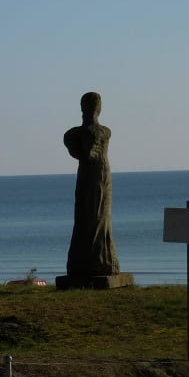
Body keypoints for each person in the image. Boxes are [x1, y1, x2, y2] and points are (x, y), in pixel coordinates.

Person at [63, 91, 121, 277]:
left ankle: (92, 261)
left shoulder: (74, 134)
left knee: (96, 217)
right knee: (92, 217)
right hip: (97, 175)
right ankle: (100, 263)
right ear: (99, 108)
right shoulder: (102, 132)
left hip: (95, 175)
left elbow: (82, 151)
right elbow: (88, 153)